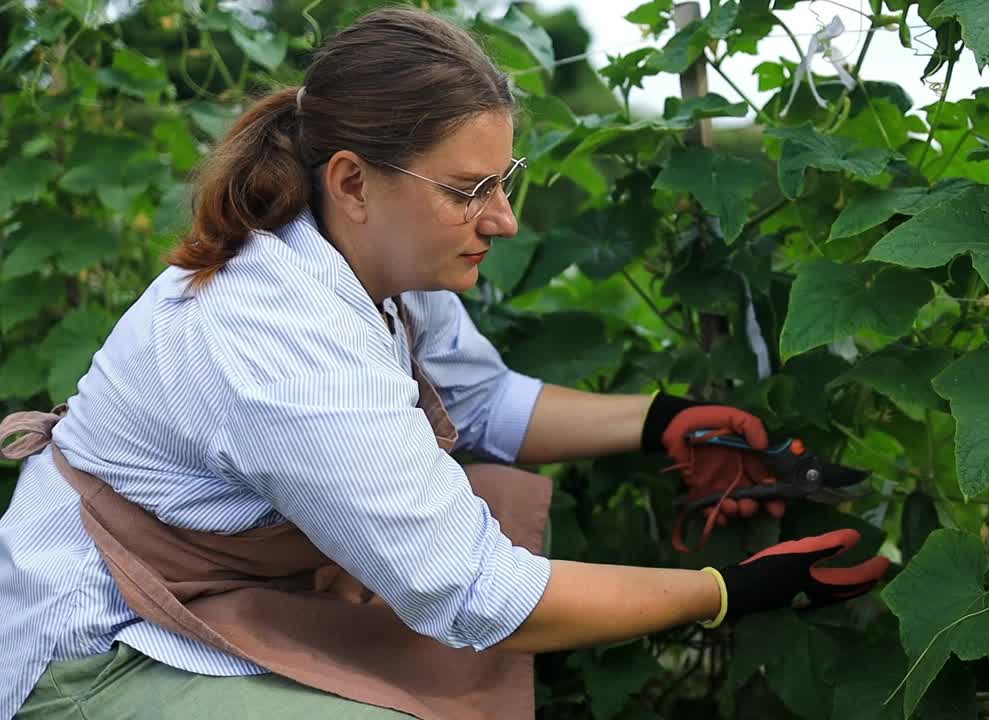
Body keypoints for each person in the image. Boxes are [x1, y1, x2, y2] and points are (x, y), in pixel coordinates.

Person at [0, 7, 889, 719]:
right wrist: (727, 591)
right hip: (97, 647)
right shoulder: (279, 337)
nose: (501, 218)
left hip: (214, 584)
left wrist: (665, 421)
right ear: (353, 182)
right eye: (471, 191)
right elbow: (476, 595)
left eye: (507, 179)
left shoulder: (375, 259)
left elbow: (488, 403)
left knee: (493, 498)